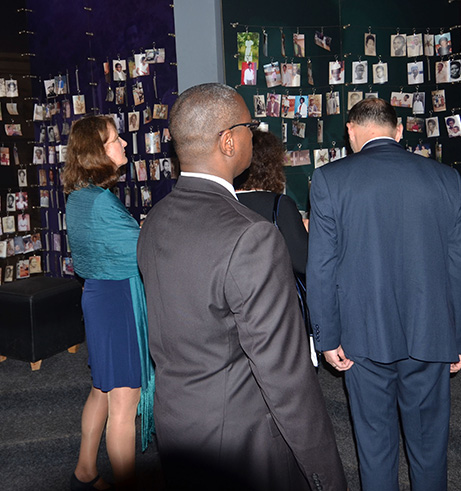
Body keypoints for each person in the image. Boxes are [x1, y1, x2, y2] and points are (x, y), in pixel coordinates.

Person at [137, 83, 345, 490]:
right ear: (229, 141)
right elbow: (286, 379)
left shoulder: (155, 221)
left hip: (177, 426)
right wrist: (327, 477)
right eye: (250, 125)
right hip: (244, 444)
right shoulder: (252, 236)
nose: (254, 133)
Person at [308, 98, 461, 491]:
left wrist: (326, 337)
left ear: (351, 132)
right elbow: (459, 265)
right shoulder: (445, 178)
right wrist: (459, 336)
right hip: (431, 333)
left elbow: (322, 268)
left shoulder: (330, 179)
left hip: (362, 335)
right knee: (430, 447)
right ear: (399, 132)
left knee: (374, 445)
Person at [61, 116, 153, 490]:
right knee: (123, 405)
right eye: (116, 140)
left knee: (102, 389)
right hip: (118, 302)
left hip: (101, 297)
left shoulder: (80, 196)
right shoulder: (99, 202)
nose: (124, 145)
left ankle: (85, 471)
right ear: (98, 152)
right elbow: (142, 252)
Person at [234, 130, 308, 277]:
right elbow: (303, 262)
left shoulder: (219, 201)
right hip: (272, 294)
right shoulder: (279, 205)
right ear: (271, 167)